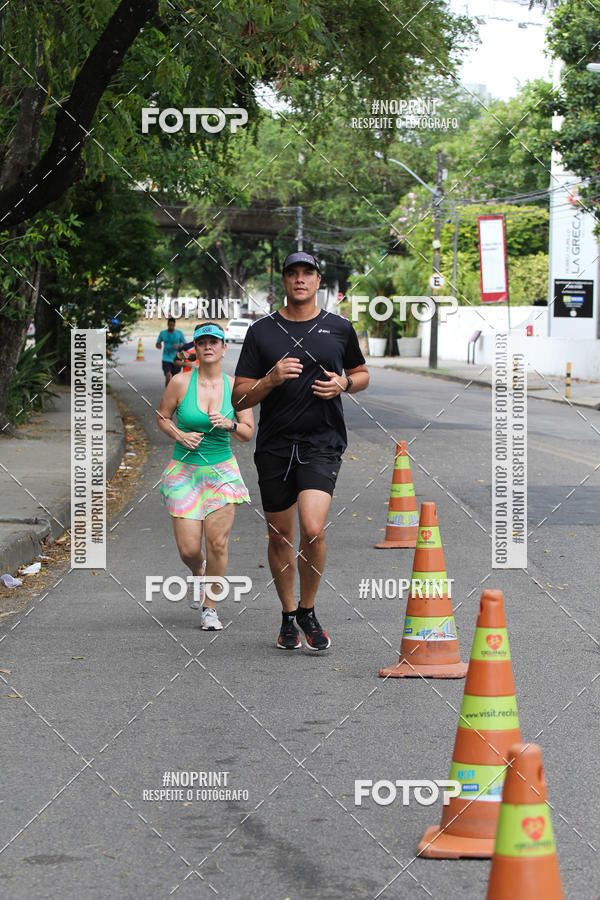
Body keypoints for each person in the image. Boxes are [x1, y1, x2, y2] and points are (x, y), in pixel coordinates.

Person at [232, 251, 369, 651]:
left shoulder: (339, 328)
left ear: (317, 280)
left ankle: (308, 608)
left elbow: (361, 374)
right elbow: (240, 397)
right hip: (274, 446)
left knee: (312, 528)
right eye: (292, 274)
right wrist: (271, 379)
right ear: (284, 282)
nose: (300, 280)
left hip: (321, 443)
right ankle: (288, 616)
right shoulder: (262, 331)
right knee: (280, 536)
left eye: (307, 273)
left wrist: (344, 384)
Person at [157, 323, 254, 631]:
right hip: (184, 472)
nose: (208, 346)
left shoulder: (237, 388)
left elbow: (247, 433)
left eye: (214, 342)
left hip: (221, 472)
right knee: (189, 550)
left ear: (224, 348)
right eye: (202, 343)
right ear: (195, 349)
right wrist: (179, 435)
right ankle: (198, 572)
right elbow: (162, 417)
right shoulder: (180, 383)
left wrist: (229, 424)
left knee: (218, 544)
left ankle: (209, 607)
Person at [156, 316, 186, 386]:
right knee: (168, 376)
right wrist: (159, 345)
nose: (171, 327)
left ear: (174, 325)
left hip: (177, 358)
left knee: (175, 379)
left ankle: (174, 393)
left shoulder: (179, 333)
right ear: (167, 324)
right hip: (166, 358)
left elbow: (185, 344)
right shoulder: (163, 333)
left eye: (172, 325)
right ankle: (167, 393)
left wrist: (178, 346)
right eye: (170, 325)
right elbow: (157, 344)